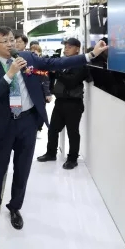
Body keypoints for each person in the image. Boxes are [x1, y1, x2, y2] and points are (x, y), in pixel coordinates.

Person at [0, 26, 107, 230]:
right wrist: (10, 74)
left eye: (12, 39)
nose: (10, 44)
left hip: (28, 121)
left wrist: (90, 55)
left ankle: (15, 207)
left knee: (23, 167)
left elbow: (56, 63)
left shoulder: (27, 57)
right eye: (5, 41)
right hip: (5, 124)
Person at [36, 38, 89, 169]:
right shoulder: (63, 63)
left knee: (72, 132)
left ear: (77, 49)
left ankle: (72, 159)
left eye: (69, 47)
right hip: (60, 101)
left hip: (73, 103)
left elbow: (72, 81)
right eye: (65, 47)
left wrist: (57, 72)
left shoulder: (80, 64)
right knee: (53, 129)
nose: (66, 49)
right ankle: (51, 153)